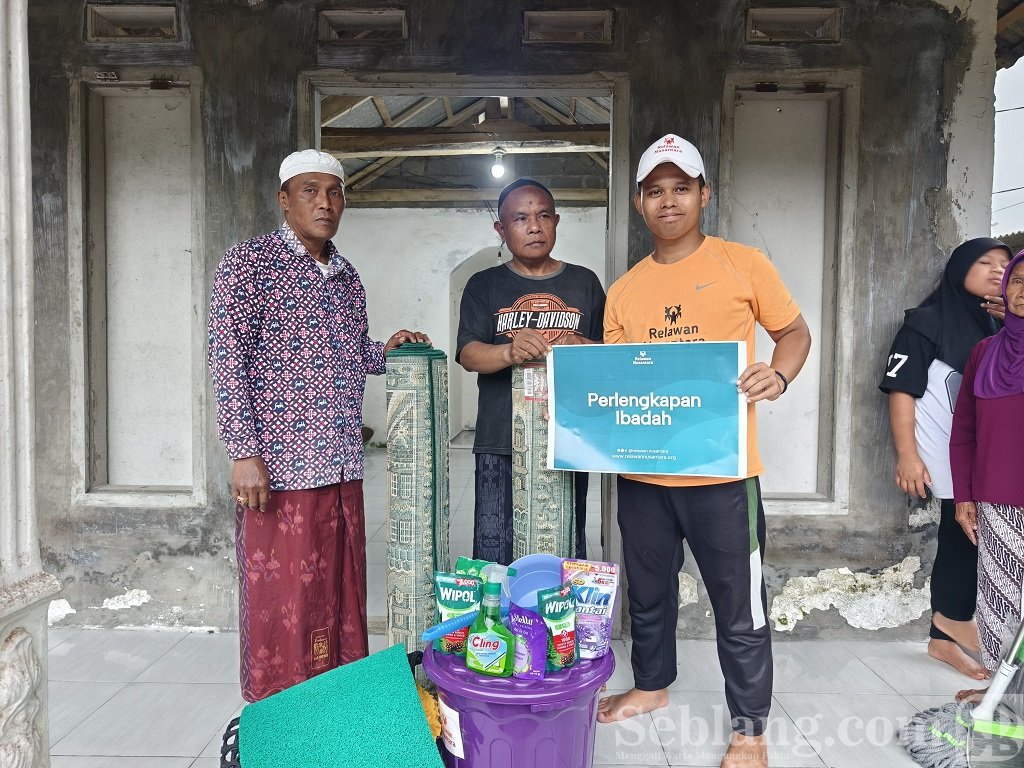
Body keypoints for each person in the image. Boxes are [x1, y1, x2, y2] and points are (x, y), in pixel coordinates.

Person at [598, 134, 811, 768]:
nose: (668, 201)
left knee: (739, 605)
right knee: (649, 591)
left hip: (724, 473)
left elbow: (794, 332)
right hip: (644, 472)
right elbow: (617, 378)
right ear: (639, 203)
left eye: (681, 188)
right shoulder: (624, 290)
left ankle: (749, 729)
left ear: (703, 195)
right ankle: (652, 685)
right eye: (655, 190)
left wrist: (778, 374)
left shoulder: (742, 264)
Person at [208, 149, 429, 701]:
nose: (325, 203)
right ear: (284, 200)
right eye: (310, 191)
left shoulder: (346, 276)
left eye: (334, 192)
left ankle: (335, 707)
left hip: (342, 464)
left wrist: (386, 350)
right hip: (280, 469)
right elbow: (228, 359)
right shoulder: (249, 263)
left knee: (338, 592)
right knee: (283, 598)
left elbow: (350, 353)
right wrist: (243, 452)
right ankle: (280, 712)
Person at [879, 237, 1011, 680]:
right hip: (946, 449)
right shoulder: (926, 322)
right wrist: (907, 455)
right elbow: (902, 389)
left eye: (1005, 264)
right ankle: (950, 628)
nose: (998, 270)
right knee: (964, 536)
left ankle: (952, 633)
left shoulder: (1002, 328)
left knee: (981, 539)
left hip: (991, 449)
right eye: (985, 262)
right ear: (958, 268)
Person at [456, 178, 605, 565]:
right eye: (520, 218)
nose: (534, 227)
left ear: (556, 221)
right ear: (501, 229)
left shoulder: (585, 282)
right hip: (500, 438)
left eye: (543, 216)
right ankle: (501, 607)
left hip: (567, 438)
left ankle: (556, 608)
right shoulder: (484, 284)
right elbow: (468, 353)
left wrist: (583, 345)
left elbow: (610, 353)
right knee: (496, 550)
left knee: (562, 544)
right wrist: (509, 351)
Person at [951, 249, 1024, 685]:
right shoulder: (984, 352)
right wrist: (964, 496)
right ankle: (1000, 692)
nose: (1023, 291)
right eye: (1017, 280)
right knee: (998, 600)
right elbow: (964, 432)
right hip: (996, 499)